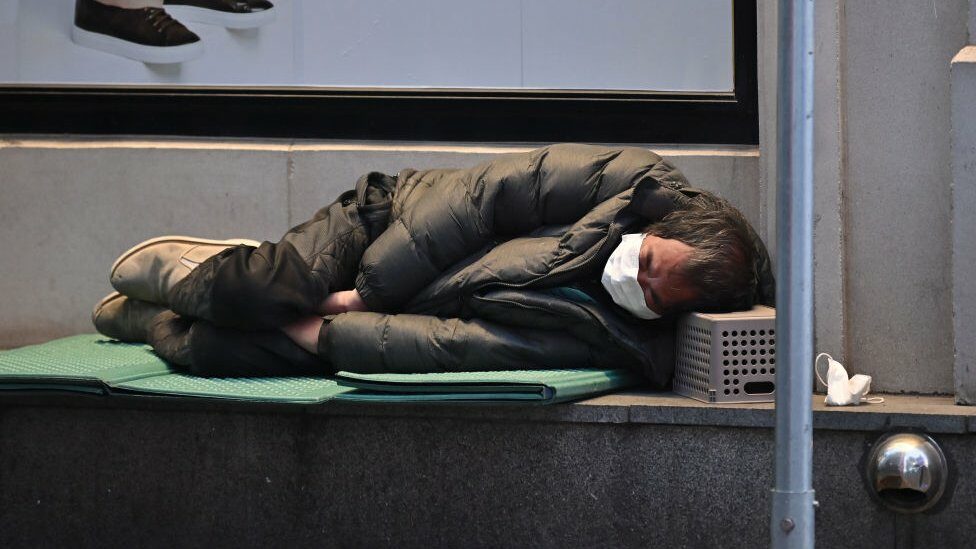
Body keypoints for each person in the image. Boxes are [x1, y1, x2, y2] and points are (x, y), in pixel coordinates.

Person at [92, 143, 774, 387]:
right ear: (660, 225)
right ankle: (195, 272)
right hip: (386, 225)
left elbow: (465, 348)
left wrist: (330, 337)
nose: (638, 281)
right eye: (650, 260)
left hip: (396, 309)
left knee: (221, 350)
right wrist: (360, 295)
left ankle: (151, 318)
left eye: (656, 295)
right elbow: (482, 197)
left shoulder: (616, 337)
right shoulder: (626, 178)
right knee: (266, 291)